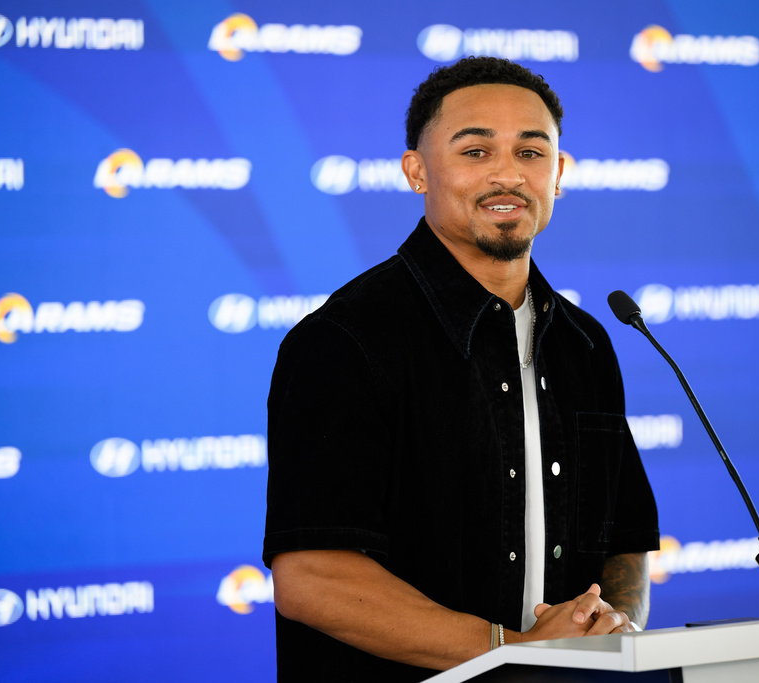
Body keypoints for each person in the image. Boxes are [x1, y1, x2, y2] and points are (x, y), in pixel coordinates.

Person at [263, 56, 659, 681]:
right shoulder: (344, 340)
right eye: (476, 152)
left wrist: (613, 630)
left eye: (532, 153)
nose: (508, 174)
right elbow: (313, 579)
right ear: (417, 171)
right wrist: (514, 647)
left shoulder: (586, 343)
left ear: (558, 174)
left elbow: (624, 540)